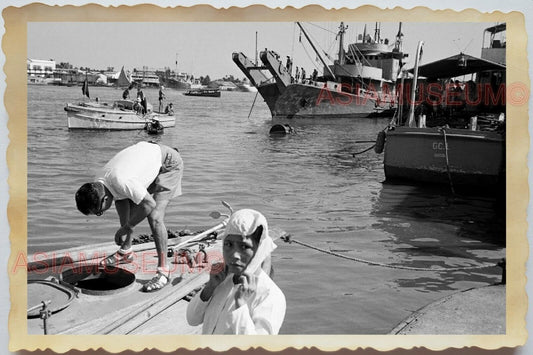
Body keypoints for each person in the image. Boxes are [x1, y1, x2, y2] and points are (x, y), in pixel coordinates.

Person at [75, 141, 184, 292]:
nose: (102, 214)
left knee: (155, 216)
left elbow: (149, 204)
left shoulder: (122, 181)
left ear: (105, 199)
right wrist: (125, 230)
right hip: (149, 158)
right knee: (123, 201)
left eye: (100, 212)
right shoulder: (100, 181)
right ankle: (126, 251)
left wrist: (128, 227)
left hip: (168, 164)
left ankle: (164, 271)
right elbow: (120, 200)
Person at [186, 209, 286, 334]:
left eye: (244, 246)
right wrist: (209, 288)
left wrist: (241, 305)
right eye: (228, 244)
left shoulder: (270, 295)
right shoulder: (221, 281)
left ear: (259, 249)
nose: (234, 255)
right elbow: (192, 320)